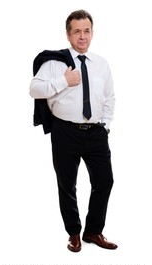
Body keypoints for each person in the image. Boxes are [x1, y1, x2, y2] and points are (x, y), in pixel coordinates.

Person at [29, 9, 117, 252]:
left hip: (96, 133)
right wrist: (63, 81)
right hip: (65, 132)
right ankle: (74, 233)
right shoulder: (54, 63)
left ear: (92, 34)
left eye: (86, 31)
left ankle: (93, 231)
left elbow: (109, 97)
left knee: (105, 181)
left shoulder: (101, 64)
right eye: (77, 31)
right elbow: (34, 89)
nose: (82, 36)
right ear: (68, 35)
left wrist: (105, 125)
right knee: (66, 185)